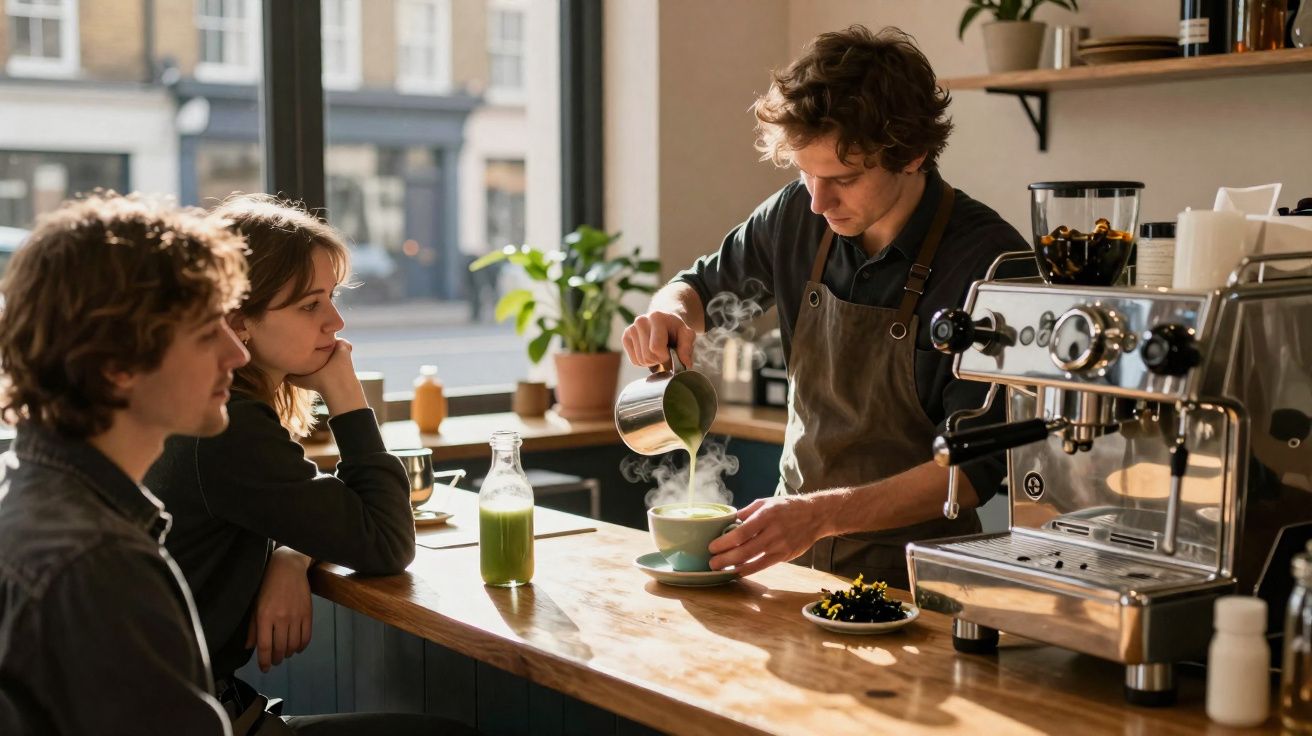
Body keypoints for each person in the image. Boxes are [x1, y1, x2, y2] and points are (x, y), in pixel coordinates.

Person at [621, 26, 1028, 589]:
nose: (817, 199)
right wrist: (668, 312)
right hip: (795, 563)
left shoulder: (992, 264)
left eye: (843, 178)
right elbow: (696, 286)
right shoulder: (797, 215)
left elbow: (970, 473)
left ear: (912, 153)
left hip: (921, 581)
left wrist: (821, 515)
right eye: (804, 173)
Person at [145, 195, 456, 735]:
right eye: (310, 305)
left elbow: (298, 510)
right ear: (239, 320)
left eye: (332, 299)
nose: (335, 322)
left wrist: (291, 554)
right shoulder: (223, 426)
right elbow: (386, 542)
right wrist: (347, 396)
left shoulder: (201, 404)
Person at [0, 192, 250, 734]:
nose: (238, 355)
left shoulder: (26, 498)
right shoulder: (97, 563)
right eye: (209, 332)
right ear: (116, 363)